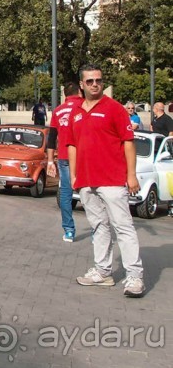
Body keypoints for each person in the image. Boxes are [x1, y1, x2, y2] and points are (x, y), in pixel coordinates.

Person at [69, 65, 144, 297]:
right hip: (86, 180)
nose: (94, 84)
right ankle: (103, 271)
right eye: (90, 81)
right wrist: (74, 175)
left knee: (123, 227)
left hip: (112, 179)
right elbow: (71, 144)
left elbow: (128, 142)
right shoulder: (76, 112)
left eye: (98, 80)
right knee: (99, 226)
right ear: (81, 84)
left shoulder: (115, 109)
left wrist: (131, 175)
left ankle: (135, 277)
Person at [46, 82, 83, 243]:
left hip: (64, 157)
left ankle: (69, 230)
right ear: (79, 92)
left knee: (66, 194)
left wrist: (49, 161)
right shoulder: (84, 106)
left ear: (65, 95)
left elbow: (51, 138)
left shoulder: (58, 111)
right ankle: (97, 231)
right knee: (90, 193)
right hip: (83, 157)